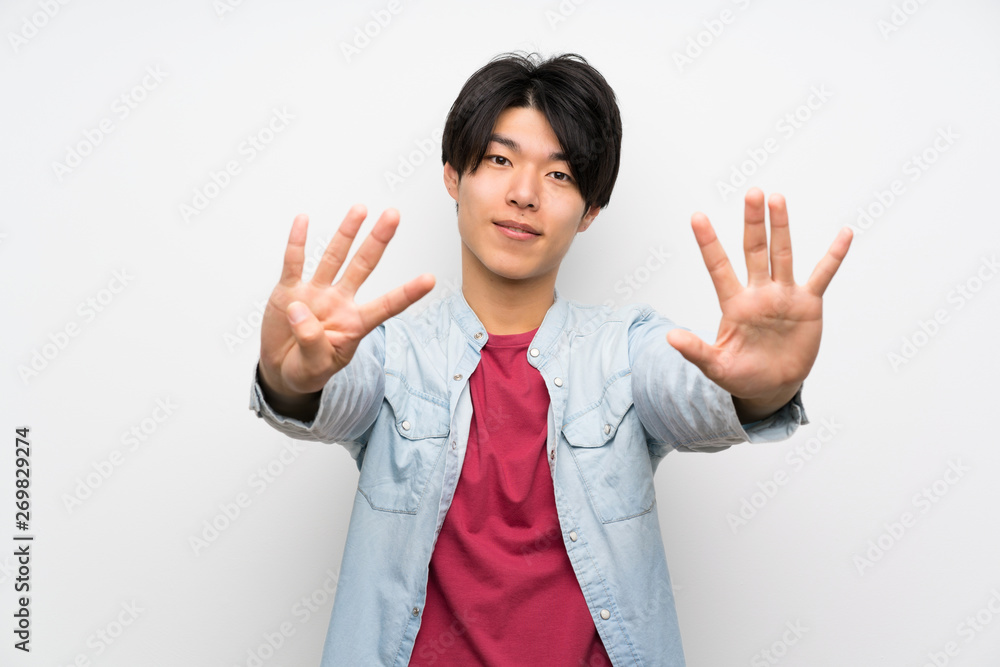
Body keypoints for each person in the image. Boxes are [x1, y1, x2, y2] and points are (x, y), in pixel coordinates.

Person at [248, 51, 852, 666]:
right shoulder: (390, 353)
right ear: (453, 177)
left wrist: (762, 389)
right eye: (499, 160)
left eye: (559, 174)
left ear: (590, 211)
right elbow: (330, 394)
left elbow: (693, 395)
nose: (524, 194)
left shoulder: (626, 349)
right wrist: (289, 379)